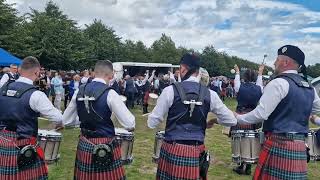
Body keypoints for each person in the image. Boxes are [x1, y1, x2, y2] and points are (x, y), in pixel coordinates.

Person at [235, 45, 320, 180]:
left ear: (285, 62)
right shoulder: (309, 86)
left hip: (278, 144)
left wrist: (238, 118)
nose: (274, 63)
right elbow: (316, 108)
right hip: (299, 146)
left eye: (277, 59)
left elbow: (261, 114)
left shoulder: (278, 83)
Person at [148, 54, 237, 180]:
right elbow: (231, 120)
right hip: (195, 151)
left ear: (183, 69)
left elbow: (151, 123)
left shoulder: (169, 91)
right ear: (198, 71)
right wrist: (214, 120)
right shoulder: (210, 94)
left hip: (172, 150)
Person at [63, 60, 135, 180]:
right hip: (106, 144)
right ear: (111, 75)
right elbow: (130, 123)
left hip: (85, 144)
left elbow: (66, 121)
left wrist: (83, 119)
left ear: (93, 73)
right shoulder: (110, 93)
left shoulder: (79, 91)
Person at [0, 56, 63, 179]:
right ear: (37, 72)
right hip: (23, 146)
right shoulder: (36, 94)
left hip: (2, 143)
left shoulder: (3, 89)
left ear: (19, 70)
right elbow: (58, 117)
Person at [231, 64, 264, 175]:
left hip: (240, 115)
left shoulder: (239, 87)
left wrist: (237, 71)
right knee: (251, 139)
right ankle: (248, 166)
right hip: (254, 117)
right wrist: (260, 72)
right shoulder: (259, 88)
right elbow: (259, 81)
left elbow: (236, 81)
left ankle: (241, 166)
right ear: (254, 78)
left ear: (244, 77)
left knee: (240, 139)